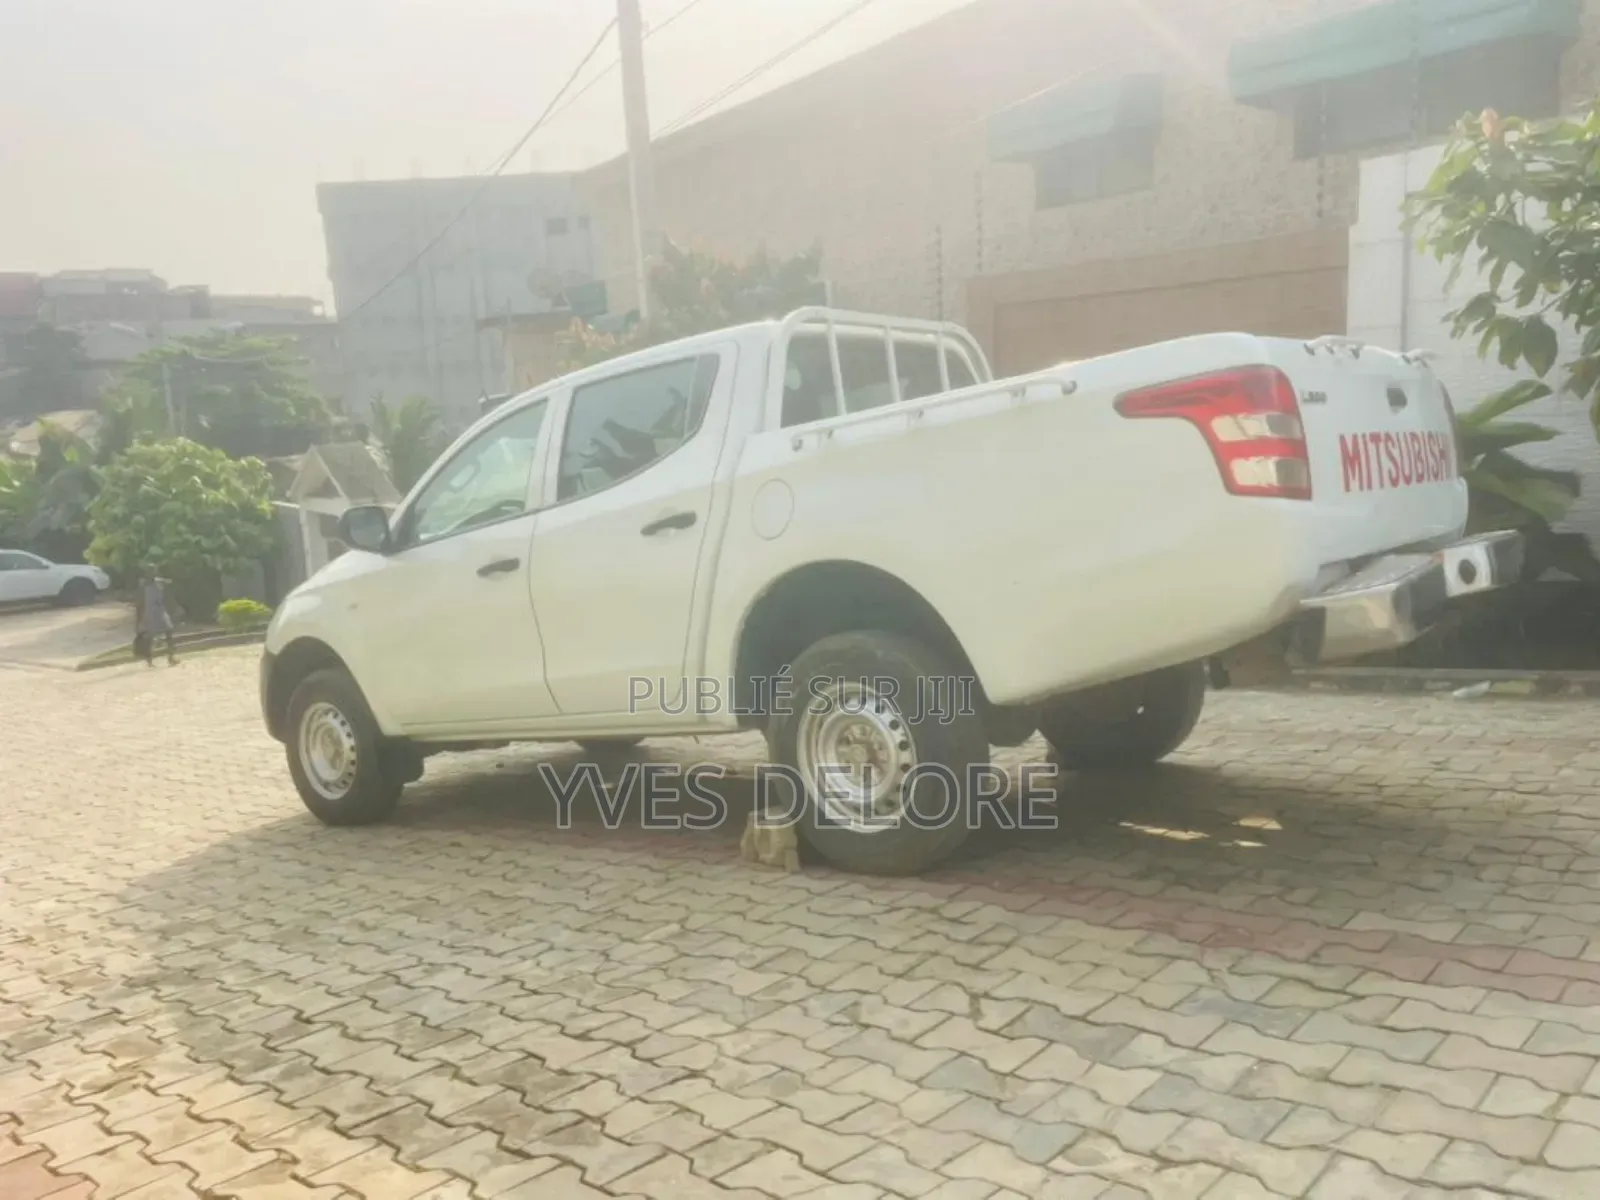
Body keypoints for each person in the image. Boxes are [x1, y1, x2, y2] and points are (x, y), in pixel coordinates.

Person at [133, 570, 178, 666]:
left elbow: (169, 583)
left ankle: (171, 657)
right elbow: (139, 604)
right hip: (150, 615)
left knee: (169, 632)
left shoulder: (158, 583)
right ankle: (149, 659)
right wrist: (139, 620)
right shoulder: (143, 588)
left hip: (160, 612)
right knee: (150, 638)